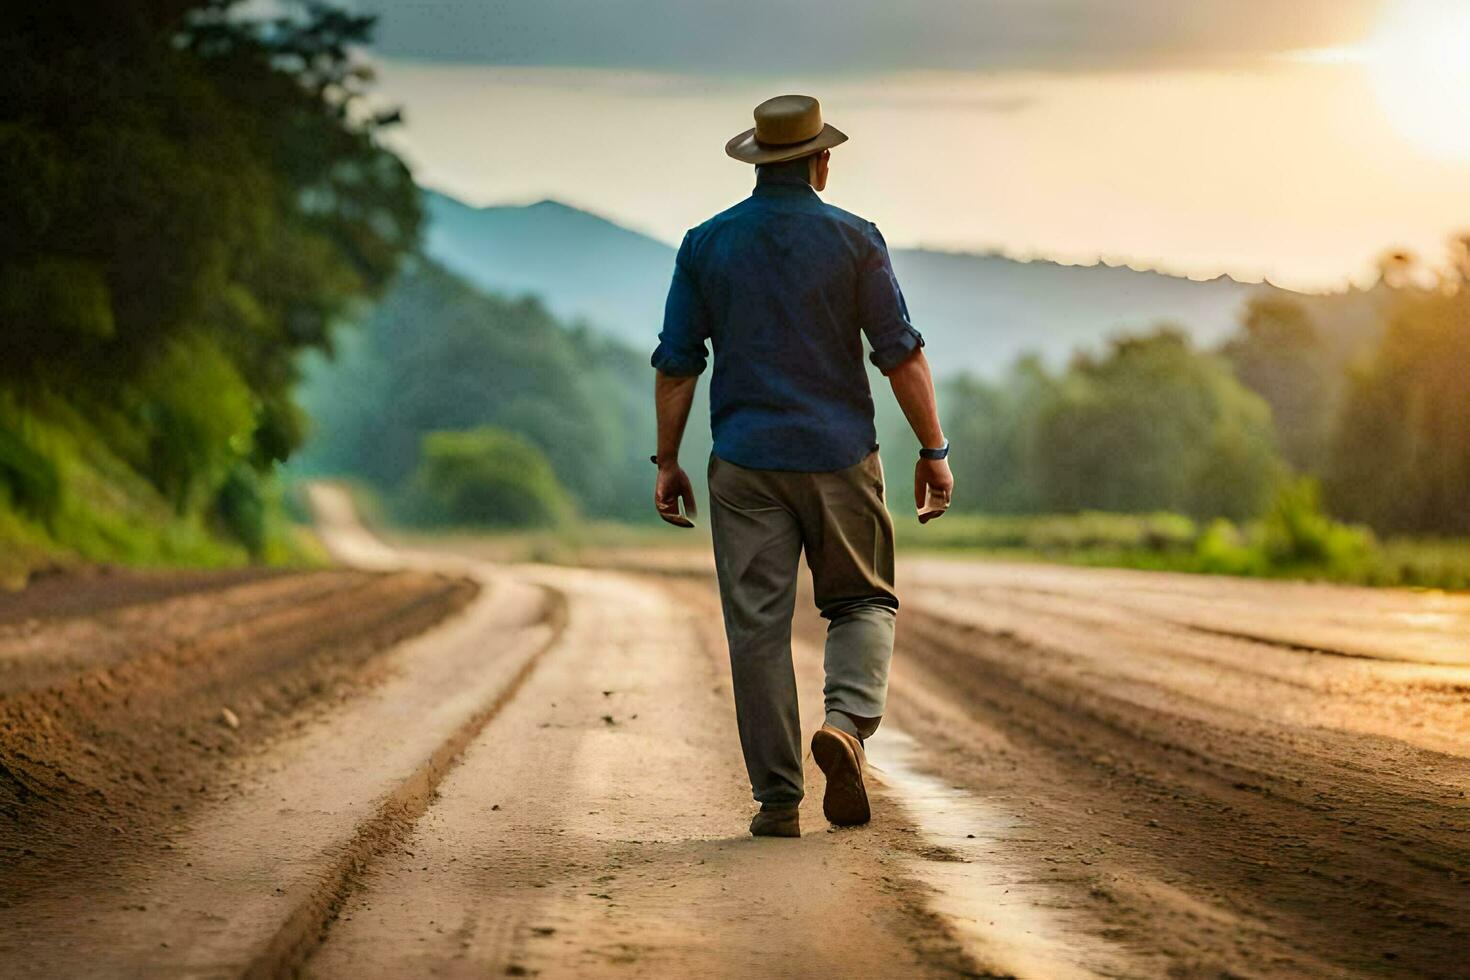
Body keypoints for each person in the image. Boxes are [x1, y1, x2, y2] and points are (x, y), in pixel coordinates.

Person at [650, 94, 953, 838]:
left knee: (756, 631)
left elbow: (679, 365)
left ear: (758, 162)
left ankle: (778, 801)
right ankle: (845, 726)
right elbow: (900, 355)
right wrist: (934, 450)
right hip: (840, 455)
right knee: (863, 602)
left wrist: (668, 462)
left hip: (745, 461)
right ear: (821, 163)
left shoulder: (705, 244)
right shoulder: (855, 239)